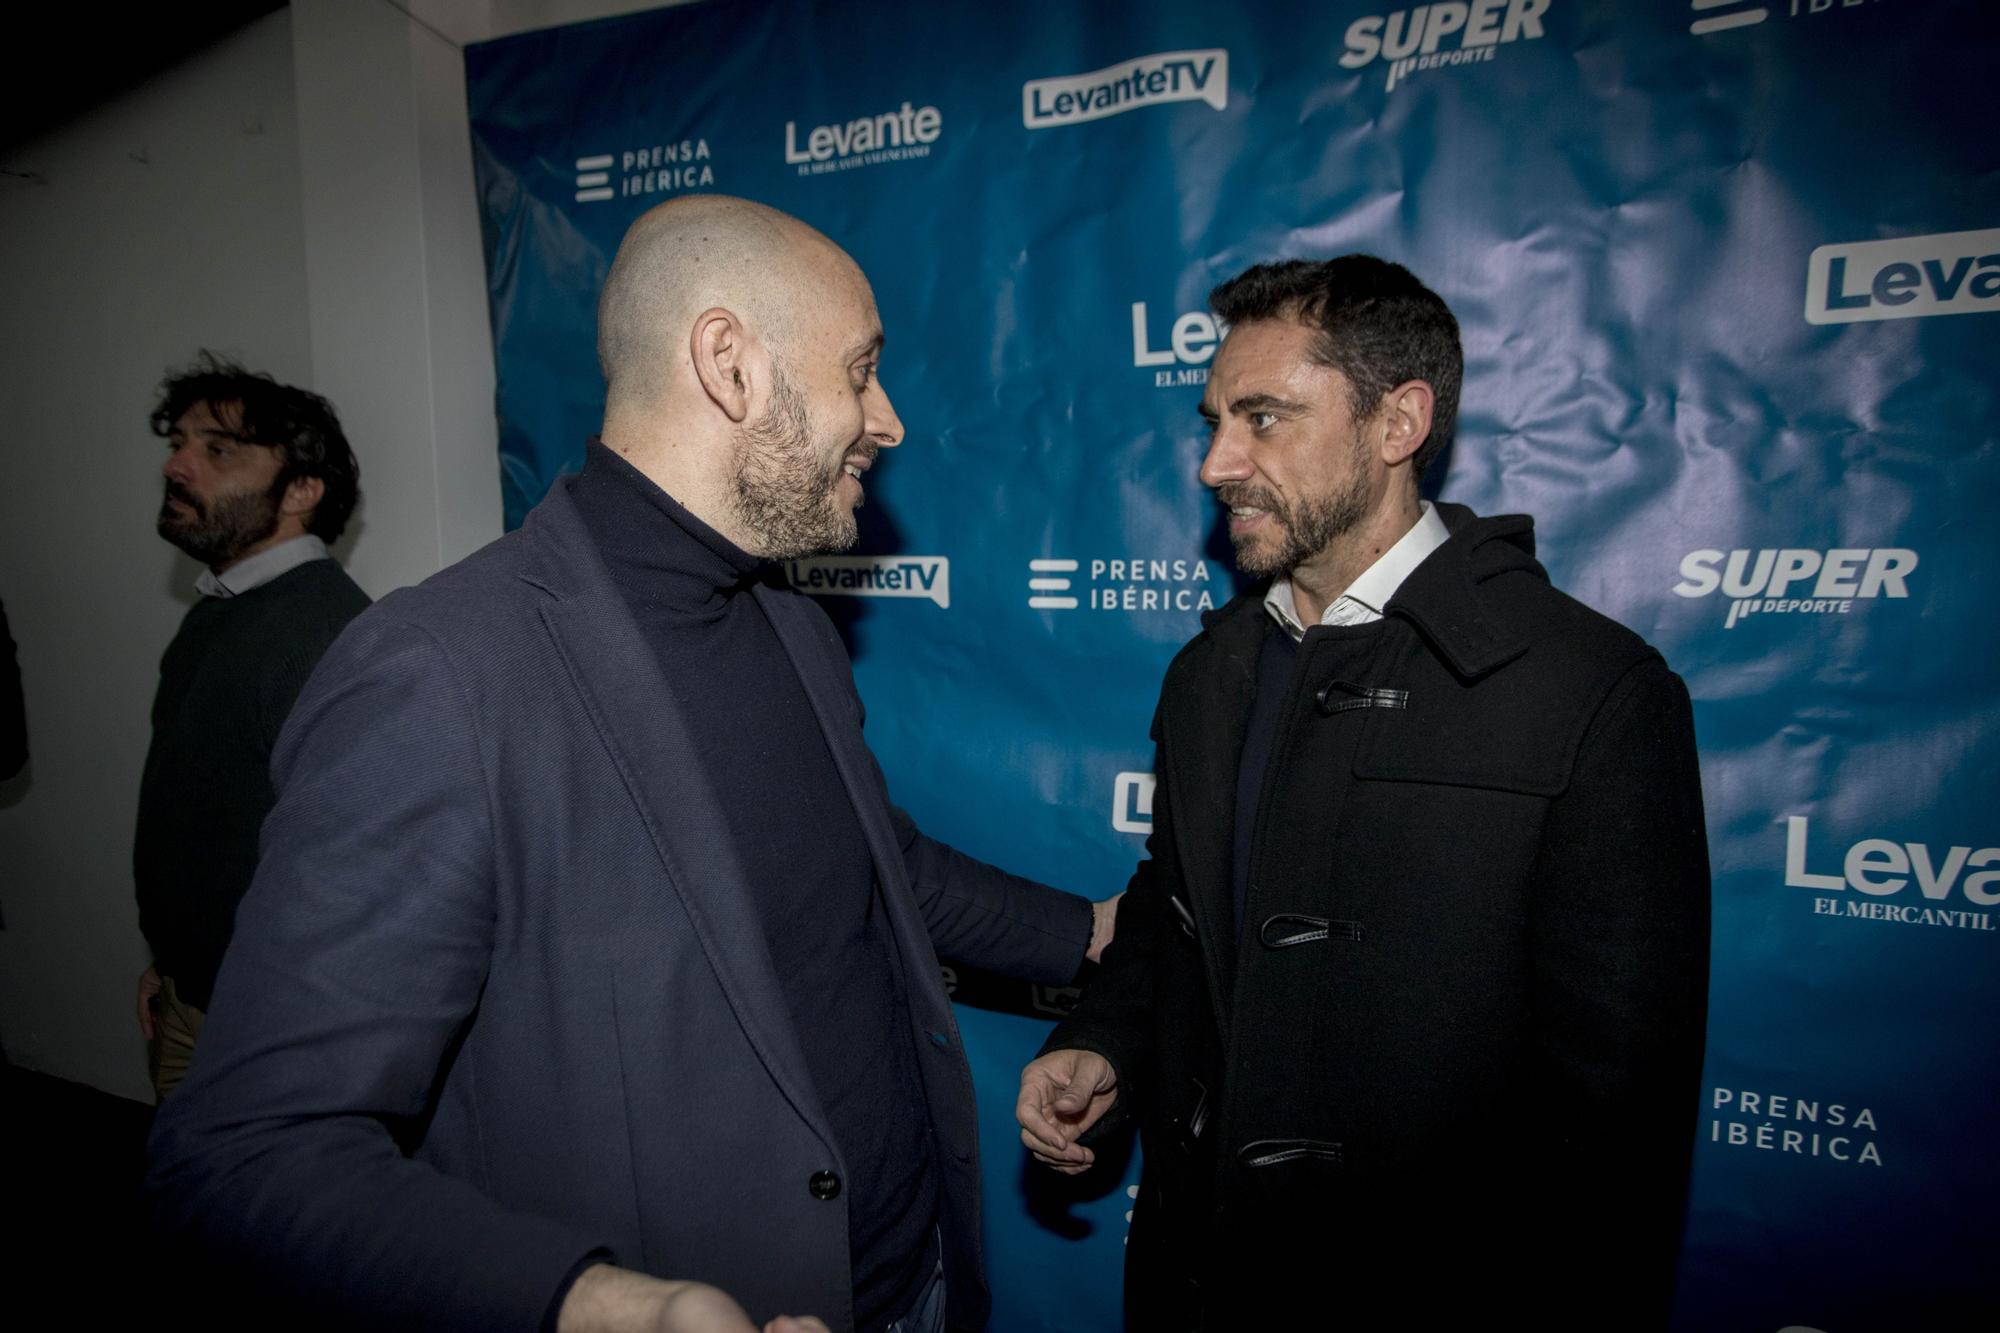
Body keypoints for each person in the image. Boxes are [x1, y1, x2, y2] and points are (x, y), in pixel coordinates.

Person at [147, 196, 1116, 1333]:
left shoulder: (785, 617)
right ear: (728, 364)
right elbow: (246, 1148)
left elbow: (874, 862)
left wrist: (1093, 930)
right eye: (860, 371)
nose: (887, 419)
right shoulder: (439, 672)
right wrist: (601, 1306)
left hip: (916, 1280)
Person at [1018, 256, 1710, 1329]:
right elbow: (1175, 902)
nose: (1213, 463)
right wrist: (1101, 1037)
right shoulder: (1209, 674)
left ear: (1398, 424)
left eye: (1262, 418)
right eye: (1211, 419)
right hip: (1198, 1279)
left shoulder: (1589, 692)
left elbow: (1616, 1128)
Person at [134, 354, 369, 1100]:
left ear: (301, 490)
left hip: (270, 1030)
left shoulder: (325, 637)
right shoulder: (217, 613)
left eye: (217, 448)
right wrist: (170, 964)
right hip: (192, 999)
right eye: (179, 442)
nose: (178, 465)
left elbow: (356, 868)